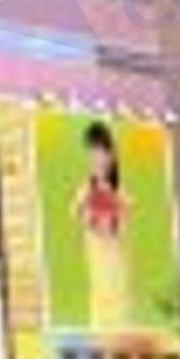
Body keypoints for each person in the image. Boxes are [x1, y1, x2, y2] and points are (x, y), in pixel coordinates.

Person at [74, 118, 134, 333]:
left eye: (101, 154)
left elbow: (122, 225)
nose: (97, 160)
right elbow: (78, 215)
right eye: (91, 154)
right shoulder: (85, 191)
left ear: (111, 156)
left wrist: (114, 222)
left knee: (118, 298)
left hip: (116, 261)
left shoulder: (120, 194)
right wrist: (93, 220)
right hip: (97, 261)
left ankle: (119, 333)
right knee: (101, 299)